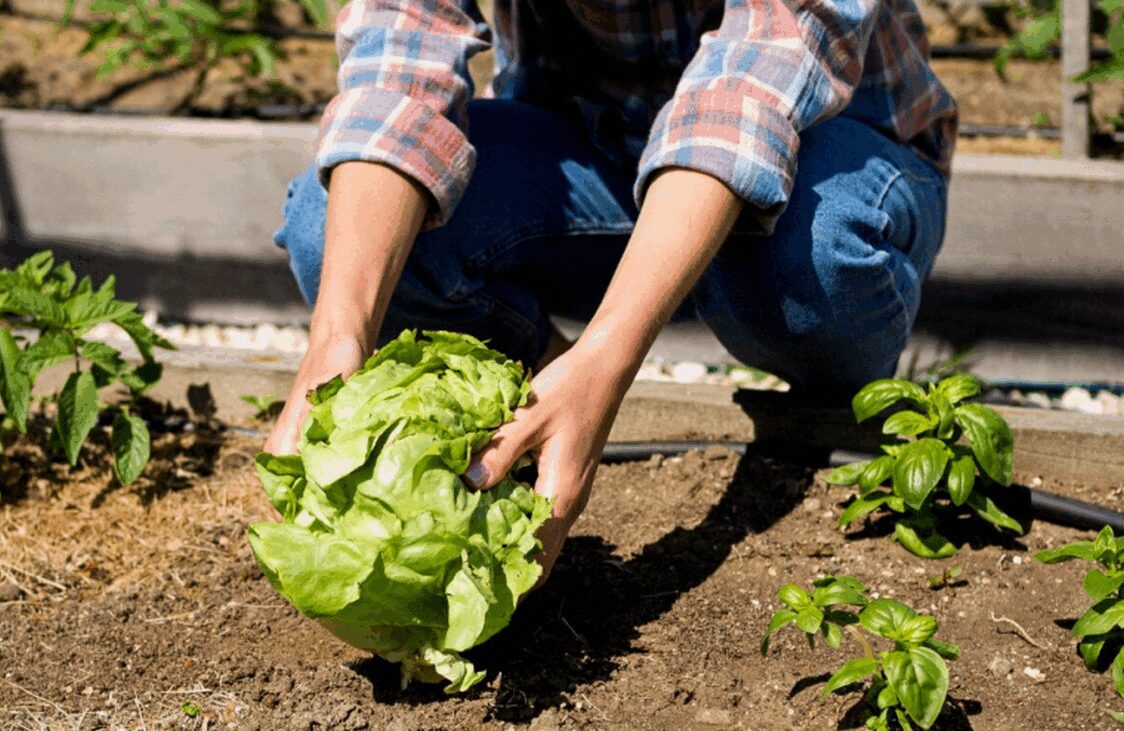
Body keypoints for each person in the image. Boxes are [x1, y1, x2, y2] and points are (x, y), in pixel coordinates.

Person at [264, 0, 957, 579]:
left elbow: (755, 84)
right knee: (329, 235)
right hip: (593, 149)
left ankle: (833, 417)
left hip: (824, 156)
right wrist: (336, 337)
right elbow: (400, 41)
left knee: (810, 253)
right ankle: (542, 398)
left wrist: (611, 351)